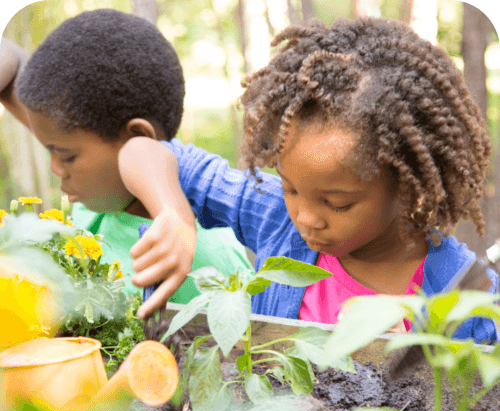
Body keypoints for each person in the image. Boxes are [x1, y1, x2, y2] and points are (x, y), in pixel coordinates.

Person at [118, 17, 498, 343]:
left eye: (337, 203)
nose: (306, 218)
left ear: (407, 187)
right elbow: (143, 151)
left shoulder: (465, 297)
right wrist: (174, 213)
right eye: (289, 187)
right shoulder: (275, 220)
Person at [0, 9, 252, 316]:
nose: (55, 168)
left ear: (138, 136)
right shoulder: (98, 207)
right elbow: (9, 59)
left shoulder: (210, 260)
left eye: (66, 156)